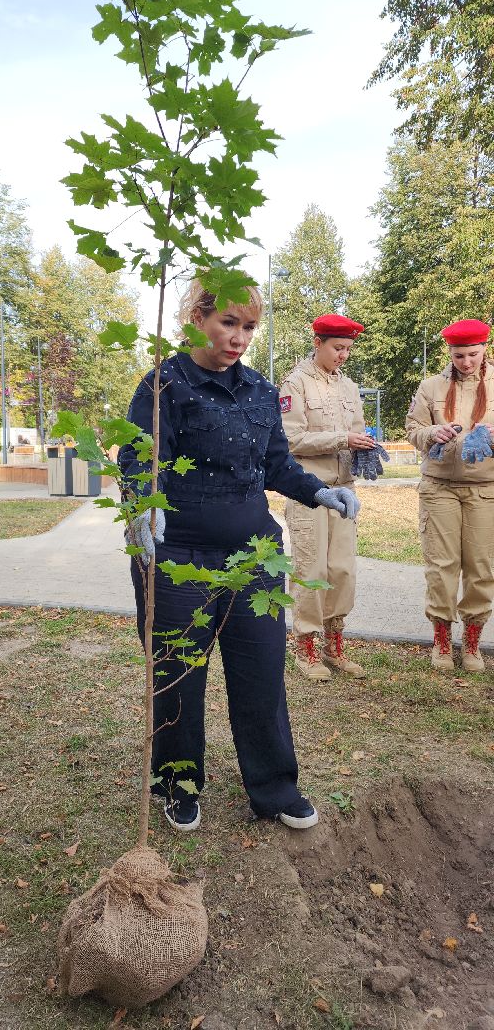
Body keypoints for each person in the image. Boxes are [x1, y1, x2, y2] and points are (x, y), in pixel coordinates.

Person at [118, 280, 360, 835]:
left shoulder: (258, 389)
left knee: (261, 674)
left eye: (249, 327)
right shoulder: (165, 383)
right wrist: (142, 505)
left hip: (254, 557)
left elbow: (277, 464)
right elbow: (138, 457)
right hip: (179, 557)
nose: (239, 338)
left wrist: (318, 492)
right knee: (178, 673)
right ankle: (177, 784)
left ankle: (274, 788)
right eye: (228, 323)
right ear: (199, 317)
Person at [279, 314, 372, 681]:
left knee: (342, 570)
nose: (343, 355)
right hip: (309, 490)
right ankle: (306, 647)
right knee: (311, 569)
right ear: (317, 343)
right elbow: (290, 439)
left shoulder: (349, 387)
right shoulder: (296, 383)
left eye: (348, 349)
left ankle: (335, 646)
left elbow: (357, 431)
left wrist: (364, 448)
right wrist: (341, 439)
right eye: (337, 348)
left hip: (344, 489)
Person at [406, 318, 494, 672]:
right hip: (439, 487)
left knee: (481, 567)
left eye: (473, 354)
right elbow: (412, 430)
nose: (467, 362)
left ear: (485, 348)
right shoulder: (431, 386)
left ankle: (472, 640)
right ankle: (441, 637)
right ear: (450, 352)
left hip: (485, 489)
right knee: (442, 567)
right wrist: (432, 433)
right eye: (459, 356)